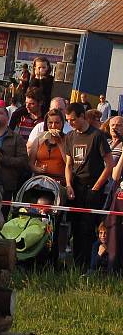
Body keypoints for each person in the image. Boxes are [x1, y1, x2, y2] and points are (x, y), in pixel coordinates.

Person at [64, 102, 114, 268]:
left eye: (72, 120)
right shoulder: (70, 136)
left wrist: (96, 188)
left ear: (82, 117)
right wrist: (69, 185)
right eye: (68, 120)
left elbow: (109, 164)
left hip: (93, 187)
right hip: (76, 186)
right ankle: (76, 263)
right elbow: (69, 164)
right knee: (75, 226)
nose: (70, 123)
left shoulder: (97, 135)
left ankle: (88, 265)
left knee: (88, 227)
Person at [0, 106, 29, 202]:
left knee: (3, 215)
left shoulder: (16, 138)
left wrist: (1, 158)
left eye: (0, 113)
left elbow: (23, 161)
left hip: (6, 186)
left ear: (8, 117)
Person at [28, 109, 67, 185]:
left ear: (62, 124)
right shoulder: (39, 139)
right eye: (50, 123)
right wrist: (39, 169)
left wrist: (59, 143)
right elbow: (30, 163)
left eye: (57, 123)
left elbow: (69, 163)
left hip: (59, 180)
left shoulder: (67, 139)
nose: (53, 126)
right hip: (41, 179)